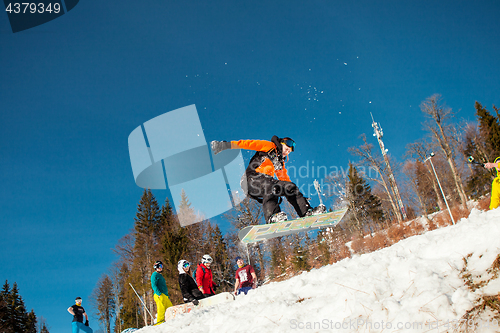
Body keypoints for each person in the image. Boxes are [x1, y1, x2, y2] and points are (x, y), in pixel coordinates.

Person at [211, 136, 326, 223]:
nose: (288, 151)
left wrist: (298, 195)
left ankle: (306, 212)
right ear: (282, 143)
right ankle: (272, 216)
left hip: (266, 184)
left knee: (290, 187)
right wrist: (225, 145)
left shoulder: (280, 162)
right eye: (287, 148)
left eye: (290, 151)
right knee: (271, 183)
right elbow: (248, 144)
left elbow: (285, 179)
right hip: (250, 179)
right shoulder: (269, 146)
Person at [151, 260, 173, 325]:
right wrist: (158, 293)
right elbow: (154, 285)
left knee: (169, 307)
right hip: (159, 294)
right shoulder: (154, 275)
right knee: (161, 308)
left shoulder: (160, 275)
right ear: (155, 267)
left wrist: (167, 296)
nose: (160, 267)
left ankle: (171, 319)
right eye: (159, 266)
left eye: (161, 266)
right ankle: (160, 322)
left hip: (165, 295)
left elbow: (164, 286)